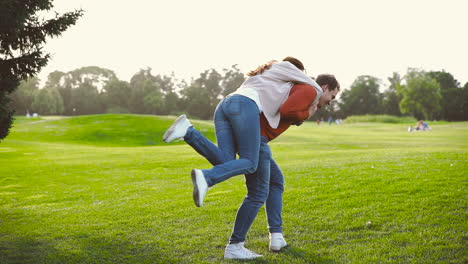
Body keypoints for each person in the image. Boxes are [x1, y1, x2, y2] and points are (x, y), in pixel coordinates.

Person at [163, 57, 322, 208]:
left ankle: (188, 131)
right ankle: (207, 177)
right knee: (251, 163)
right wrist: (313, 103)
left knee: (225, 161)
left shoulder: (270, 75)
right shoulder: (285, 67)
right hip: (245, 105)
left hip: (226, 105)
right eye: (301, 74)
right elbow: (313, 87)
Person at [224, 75, 340, 259]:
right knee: (258, 192)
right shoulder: (308, 90)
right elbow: (288, 111)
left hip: (257, 138)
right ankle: (235, 245)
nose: (330, 102)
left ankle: (276, 236)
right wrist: (306, 113)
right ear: (325, 87)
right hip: (256, 138)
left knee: (276, 182)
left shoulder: (305, 93)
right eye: (332, 96)